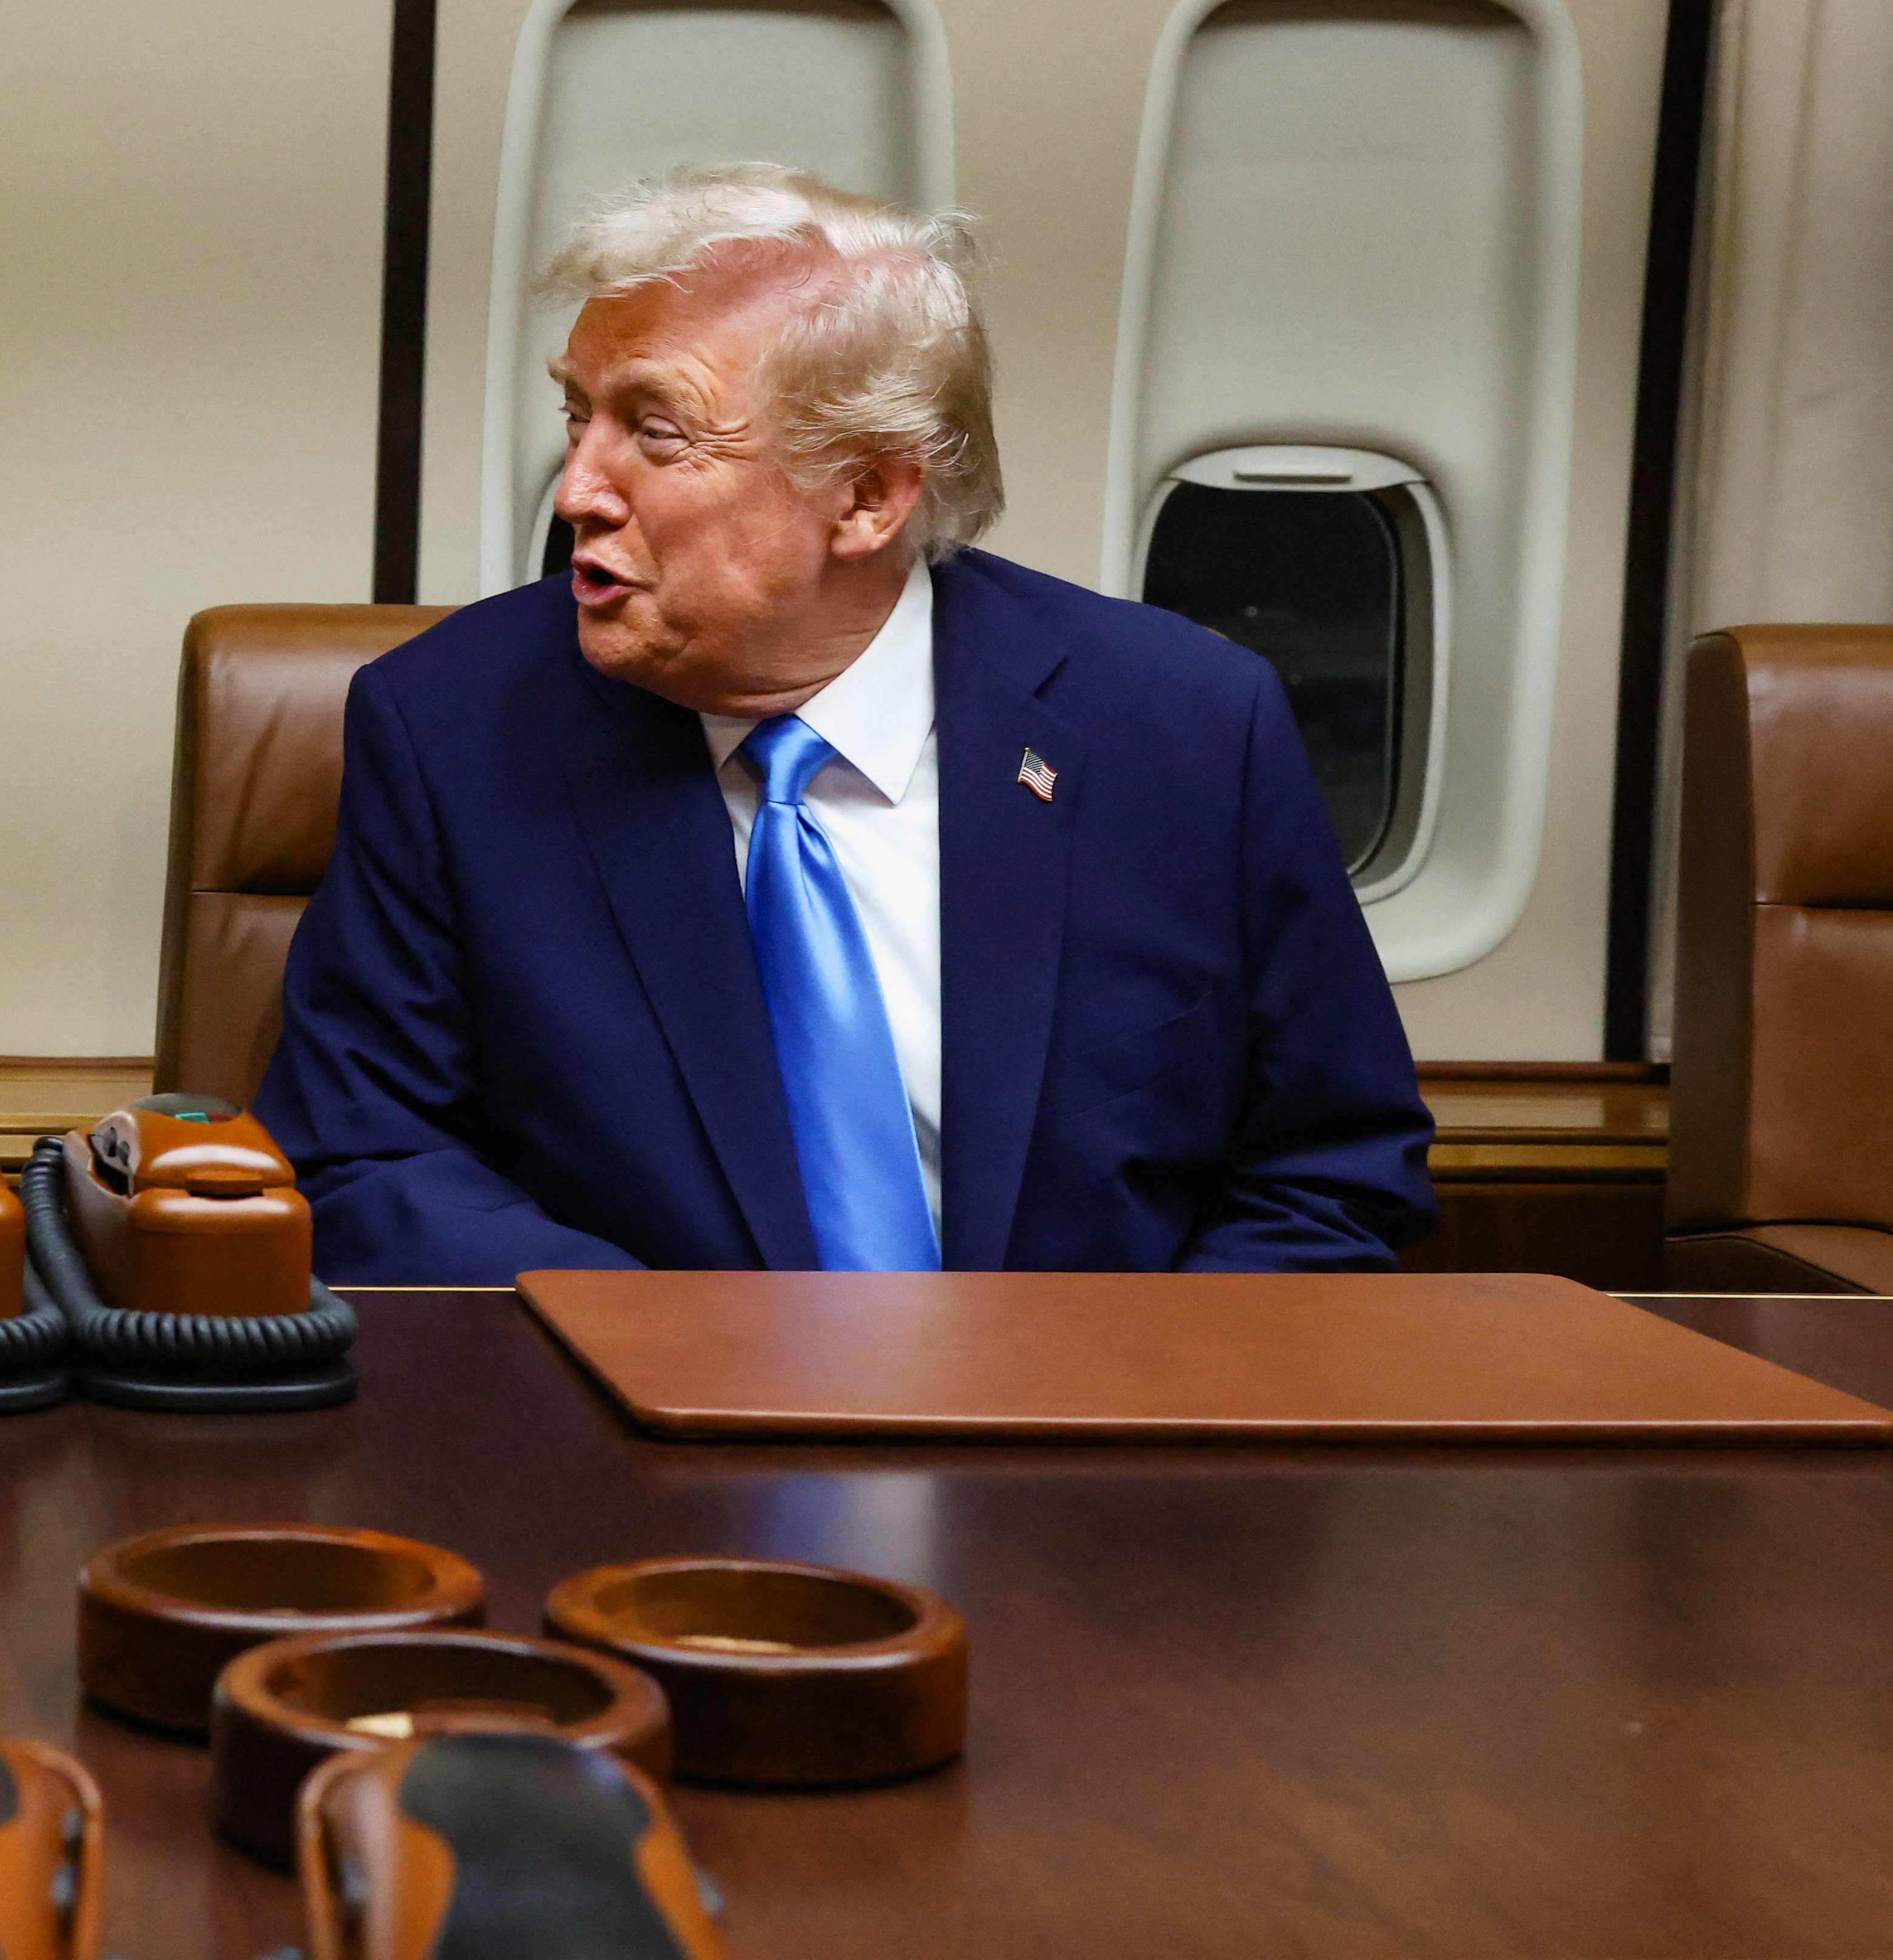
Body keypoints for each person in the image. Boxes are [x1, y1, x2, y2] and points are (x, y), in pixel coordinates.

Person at [260, 165, 1433, 1280]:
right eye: (579, 416)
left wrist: (1121, 1403)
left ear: (869, 495)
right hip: (635, 1431)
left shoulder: (1180, 726)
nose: (579, 488)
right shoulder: (454, 722)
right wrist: (675, 1345)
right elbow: (364, 1155)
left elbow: (1330, 1172)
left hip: (1086, 1437)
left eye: (656, 430)